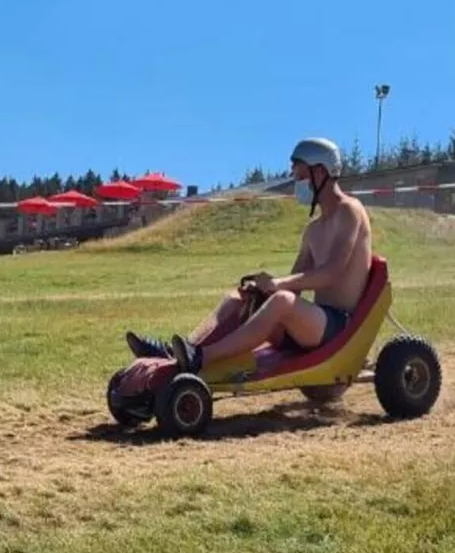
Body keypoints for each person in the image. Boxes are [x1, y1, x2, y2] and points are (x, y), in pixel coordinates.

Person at [122, 137, 372, 378]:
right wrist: (262, 290)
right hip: (311, 324)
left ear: (321, 172)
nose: (297, 183)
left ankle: (202, 357)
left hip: (338, 325)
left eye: (301, 176)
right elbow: (297, 282)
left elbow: (332, 272)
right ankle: (179, 352)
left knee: (282, 300)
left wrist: (278, 285)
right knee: (238, 297)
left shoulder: (350, 210)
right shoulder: (313, 230)